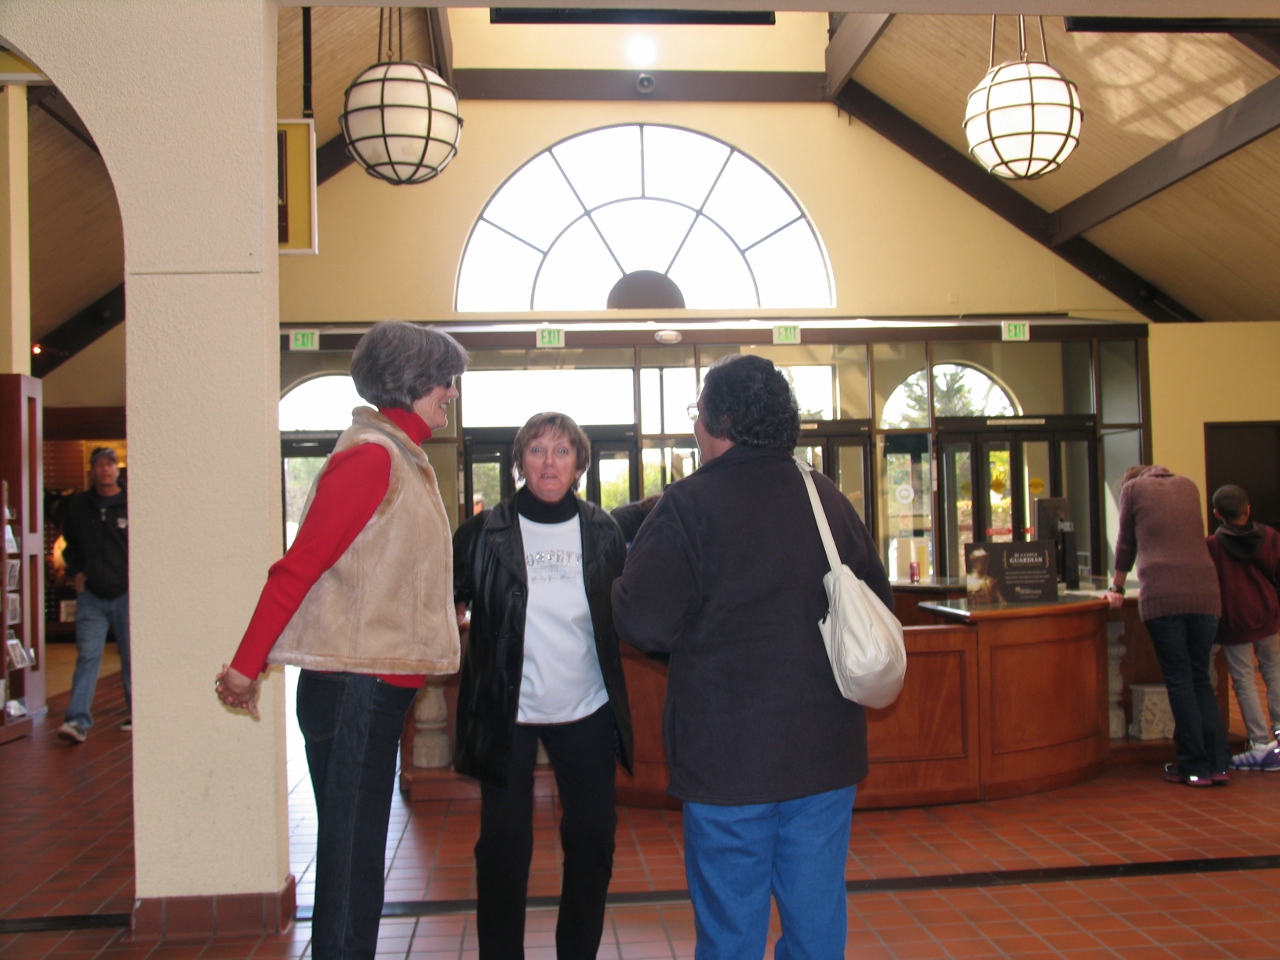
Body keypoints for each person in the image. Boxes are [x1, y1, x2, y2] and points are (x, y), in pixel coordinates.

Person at [612, 354, 892, 960]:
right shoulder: (825, 497)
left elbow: (645, 619)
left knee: (731, 929)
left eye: (697, 414)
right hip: (825, 752)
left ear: (720, 421)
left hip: (728, 758)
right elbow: (876, 600)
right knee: (817, 920)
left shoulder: (687, 505)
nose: (694, 427)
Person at [216, 320, 467, 960]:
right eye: (445, 380)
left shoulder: (398, 453)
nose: (451, 393)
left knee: (354, 857)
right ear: (410, 381)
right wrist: (245, 670)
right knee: (352, 861)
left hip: (371, 688)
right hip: (355, 690)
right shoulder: (372, 457)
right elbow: (298, 566)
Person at [453, 411, 633, 960]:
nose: (549, 462)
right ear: (519, 462)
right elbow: (445, 607)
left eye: (561, 451)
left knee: (592, 843)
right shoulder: (482, 534)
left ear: (579, 463)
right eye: (536, 450)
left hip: (588, 709)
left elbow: (624, 612)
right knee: (504, 851)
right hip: (509, 710)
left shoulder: (605, 532)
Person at [1109, 464, 1226, 787]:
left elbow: (1126, 546)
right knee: (1201, 678)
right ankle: (1217, 763)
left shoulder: (1132, 490)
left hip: (1165, 595)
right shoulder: (1188, 485)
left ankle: (1193, 766)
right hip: (1206, 594)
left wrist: (1116, 587)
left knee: (1179, 678)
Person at [57, 447, 130, 743]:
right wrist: (76, 573)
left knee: (130, 655)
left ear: (117, 469)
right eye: (99, 464)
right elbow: (69, 544)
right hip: (91, 595)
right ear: (92, 470)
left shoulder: (129, 503)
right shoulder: (78, 506)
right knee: (87, 656)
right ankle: (76, 720)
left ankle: (136, 712)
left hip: (126, 593)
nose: (105, 470)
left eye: (110, 464)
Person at [1205, 484, 1280, 771]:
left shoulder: (1212, 546)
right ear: (1248, 510)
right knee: (1273, 672)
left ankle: (1261, 743)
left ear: (1216, 513)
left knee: (1244, 679)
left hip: (1235, 619)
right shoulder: (1270, 537)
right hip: (1267, 613)